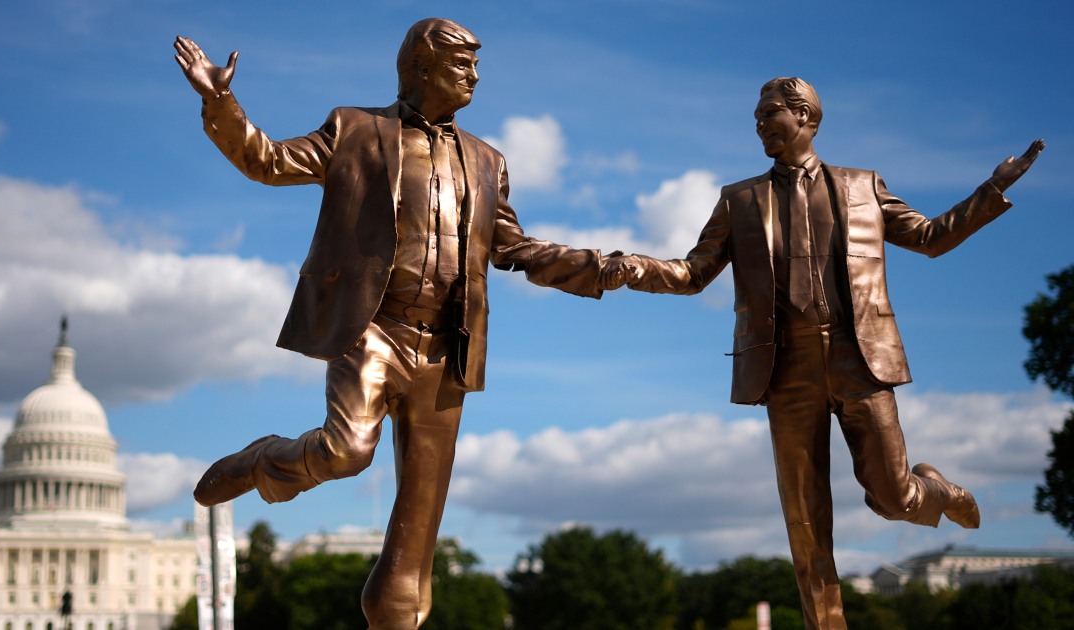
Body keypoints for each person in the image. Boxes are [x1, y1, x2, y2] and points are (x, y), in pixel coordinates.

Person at [174, 18, 633, 629]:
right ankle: (262, 462)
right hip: (372, 330)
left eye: (476, 65)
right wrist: (220, 99)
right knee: (347, 451)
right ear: (419, 68)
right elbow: (268, 161)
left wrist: (599, 268)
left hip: (446, 349)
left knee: (417, 530)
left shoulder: (487, 160)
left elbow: (515, 249)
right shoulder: (356, 129)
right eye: (460, 65)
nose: (473, 76)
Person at [611, 77, 1044, 629]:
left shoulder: (862, 186)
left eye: (770, 114)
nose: (760, 124)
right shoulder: (739, 199)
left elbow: (933, 237)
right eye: (756, 117)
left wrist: (991, 189)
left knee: (891, 497)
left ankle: (932, 490)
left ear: (806, 118)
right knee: (806, 523)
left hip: (859, 360)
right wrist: (629, 267)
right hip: (784, 368)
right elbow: (693, 272)